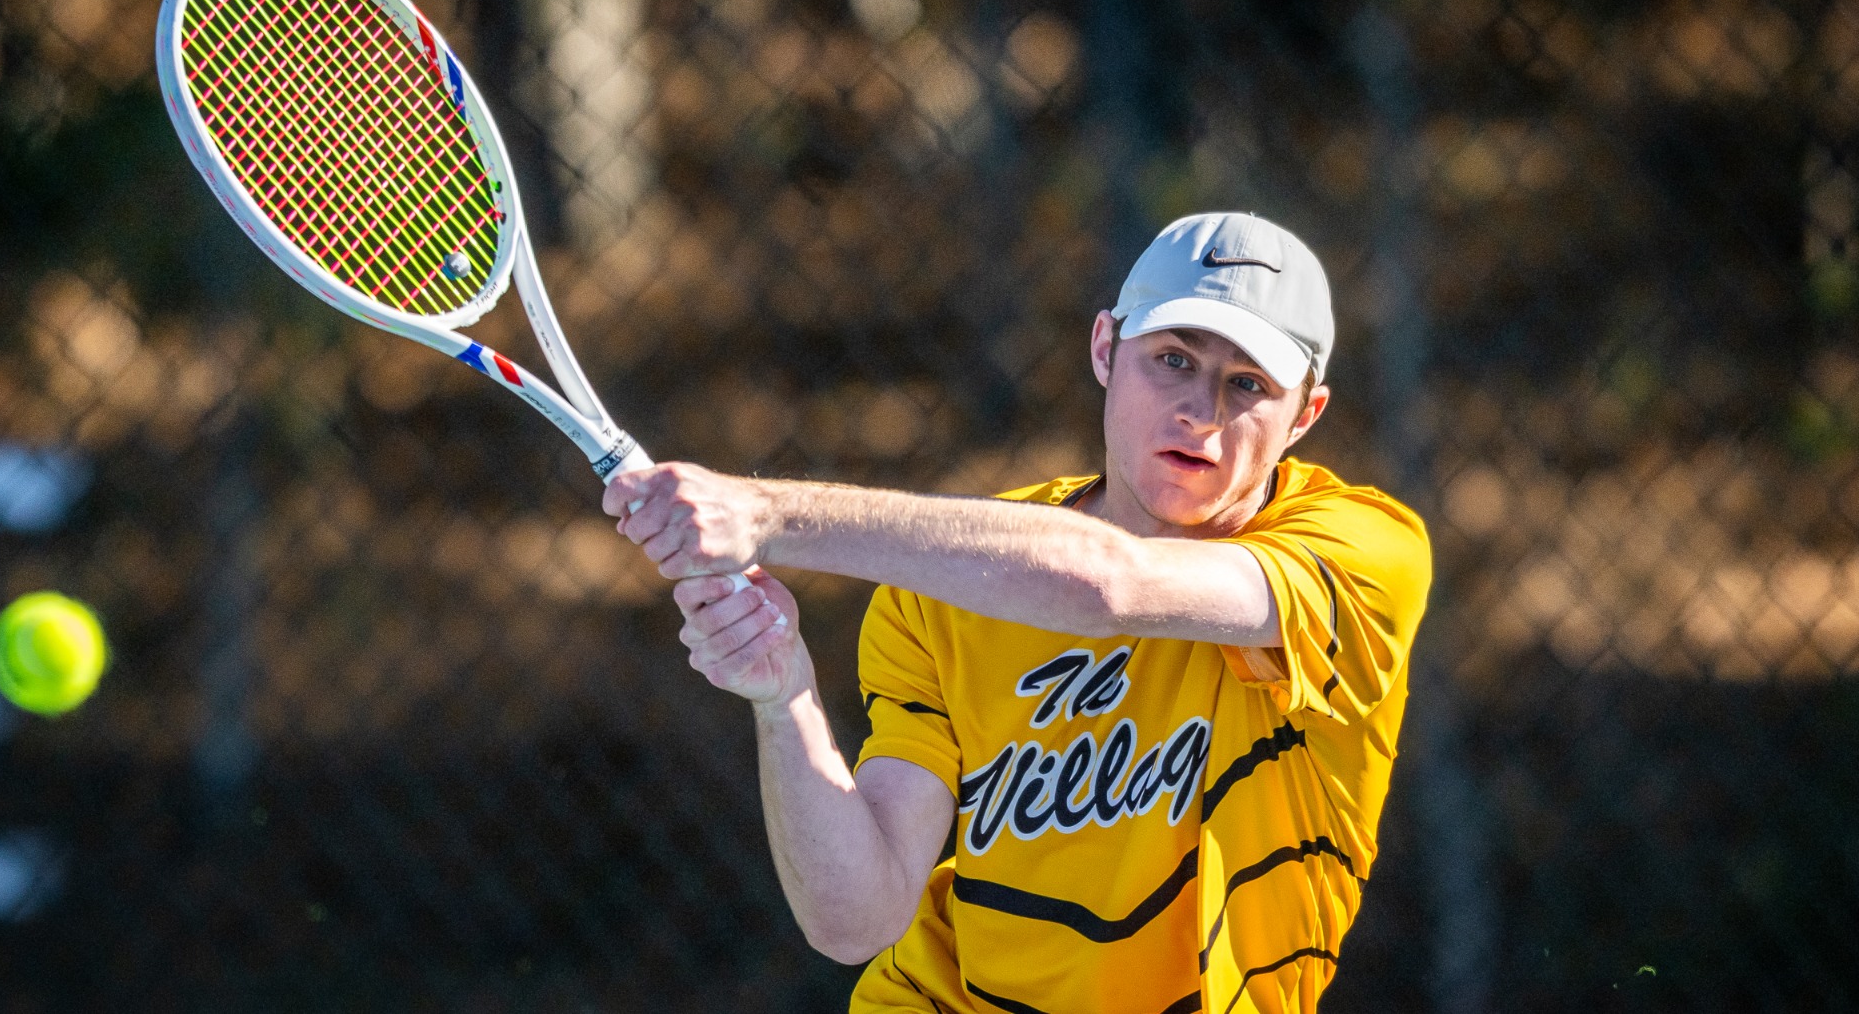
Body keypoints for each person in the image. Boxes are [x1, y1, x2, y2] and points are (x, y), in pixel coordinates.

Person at [606, 213, 1431, 1014]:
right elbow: (856, 922)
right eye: (1172, 359)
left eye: (1247, 384)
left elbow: (1110, 586)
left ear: (1305, 416)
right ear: (1104, 349)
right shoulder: (951, 586)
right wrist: (783, 692)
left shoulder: (1362, 557)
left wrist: (769, 513)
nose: (1200, 412)